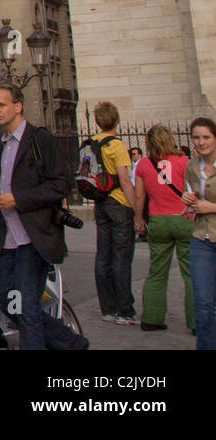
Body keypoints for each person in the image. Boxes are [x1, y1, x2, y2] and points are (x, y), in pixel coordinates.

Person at [0, 80, 88, 350]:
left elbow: (61, 183)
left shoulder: (39, 139)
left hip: (34, 237)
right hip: (8, 238)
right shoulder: (1, 144)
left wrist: (17, 199)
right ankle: (71, 343)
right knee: (6, 300)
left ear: (18, 106)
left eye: (2, 104)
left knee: (27, 305)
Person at [130, 125, 191, 333]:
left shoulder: (144, 165)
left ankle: (152, 319)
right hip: (183, 218)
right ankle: (197, 322)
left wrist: (138, 219)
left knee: (157, 272)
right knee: (191, 273)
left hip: (158, 219)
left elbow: (140, 196)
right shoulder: (184, 162)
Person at [89, 102, 139, 325]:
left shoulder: (93, 144)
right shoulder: (117, 145)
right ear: (116, 120)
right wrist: (136, 209)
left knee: (103, 256)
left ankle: (107, 308)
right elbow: (125, 180)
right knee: (121, 257)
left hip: (100, 202)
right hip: (118, 201)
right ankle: (124, 310)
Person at [182, 116, 216, 350]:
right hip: (201, 239)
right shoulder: (192, 167)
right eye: (196, 137)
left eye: (206, 137)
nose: (201, 142)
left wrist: (211, 207)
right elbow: (195, 200)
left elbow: (208, 205)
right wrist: (189, 202)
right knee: (203, 302)